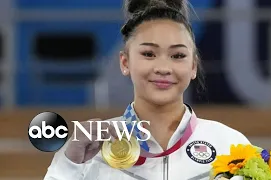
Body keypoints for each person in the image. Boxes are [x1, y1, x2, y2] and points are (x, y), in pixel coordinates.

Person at [44, 0, 250, 179]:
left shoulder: (230, 144)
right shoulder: (87, 148)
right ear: (125, 62)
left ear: (193, 66)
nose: (163, 68)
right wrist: (68, 165)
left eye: (177, 55)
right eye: (149, 54)